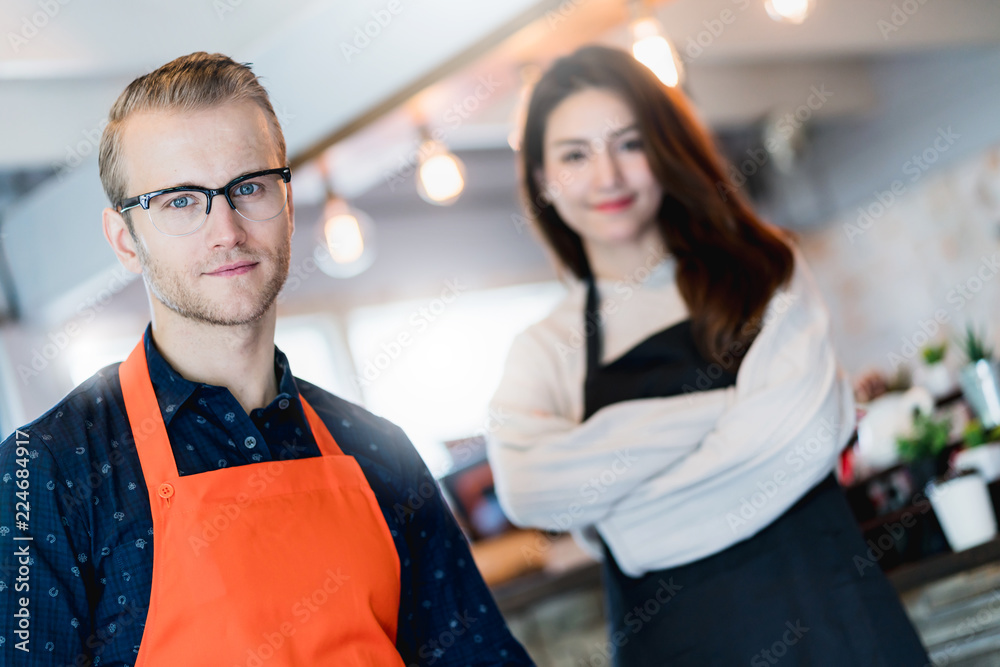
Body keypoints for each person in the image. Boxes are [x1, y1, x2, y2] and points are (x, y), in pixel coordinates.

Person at [0, 52, 532, 666]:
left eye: (247, 187)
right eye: (180, 201)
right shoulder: (44, 472)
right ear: (126, 241)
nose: (225, 228)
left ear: (286, 203)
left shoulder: (377, 449)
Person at [487, 45, 929, 665]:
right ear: (541, 181)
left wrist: (623, 522)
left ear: (664, 150)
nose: (607, 176)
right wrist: (734, 415)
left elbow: (807, 438)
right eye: (574, 155)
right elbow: (529, 489)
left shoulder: (765, 266)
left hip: (836, 625)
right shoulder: (544, 347)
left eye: (629, 144)